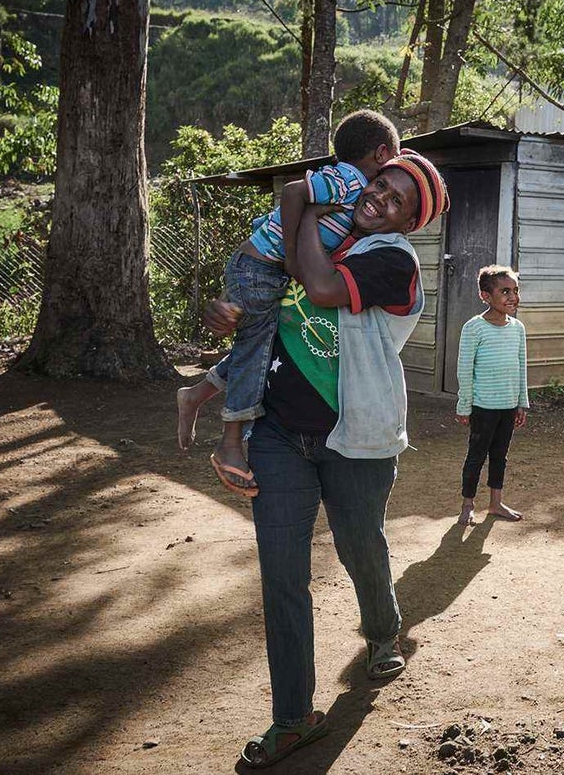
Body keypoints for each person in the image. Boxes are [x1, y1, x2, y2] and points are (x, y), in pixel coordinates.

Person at [203, 152, 448, 769]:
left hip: (356, 438)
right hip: (280, 434)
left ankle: (382, 629)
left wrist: (303, 204)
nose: (380, 199)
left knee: (359, 542)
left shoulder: (393, 263)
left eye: (397, 201)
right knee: (282, 574)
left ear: (409, 223)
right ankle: (292, 718)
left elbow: (316, 288)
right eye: (380, 184)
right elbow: (272, 322)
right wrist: (226, 330)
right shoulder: (328, 235)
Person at [176, 110, 401, 496]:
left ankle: (197, 394)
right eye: (392, 163)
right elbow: (294, 192)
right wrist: (293, 254)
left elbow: (270, 221)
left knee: (261, 344)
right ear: (382, 154)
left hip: (262, 267)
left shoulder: (351, 191)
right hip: (262, 269)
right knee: (253, 349)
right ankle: (230, 441)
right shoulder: (349, 180)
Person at [455, 265, 529, 526]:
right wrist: (464, 406)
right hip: (482, 407)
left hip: (508, 406)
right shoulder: (474, 328)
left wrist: (522, 402)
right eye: (505, 291)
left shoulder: (518, 328)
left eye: (515, 290)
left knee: (500, 455)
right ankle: (467, 504)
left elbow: (521, 366)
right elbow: (464, 369)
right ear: (486, 296)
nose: (513, 297)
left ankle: (496, 503)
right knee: (476, 455)